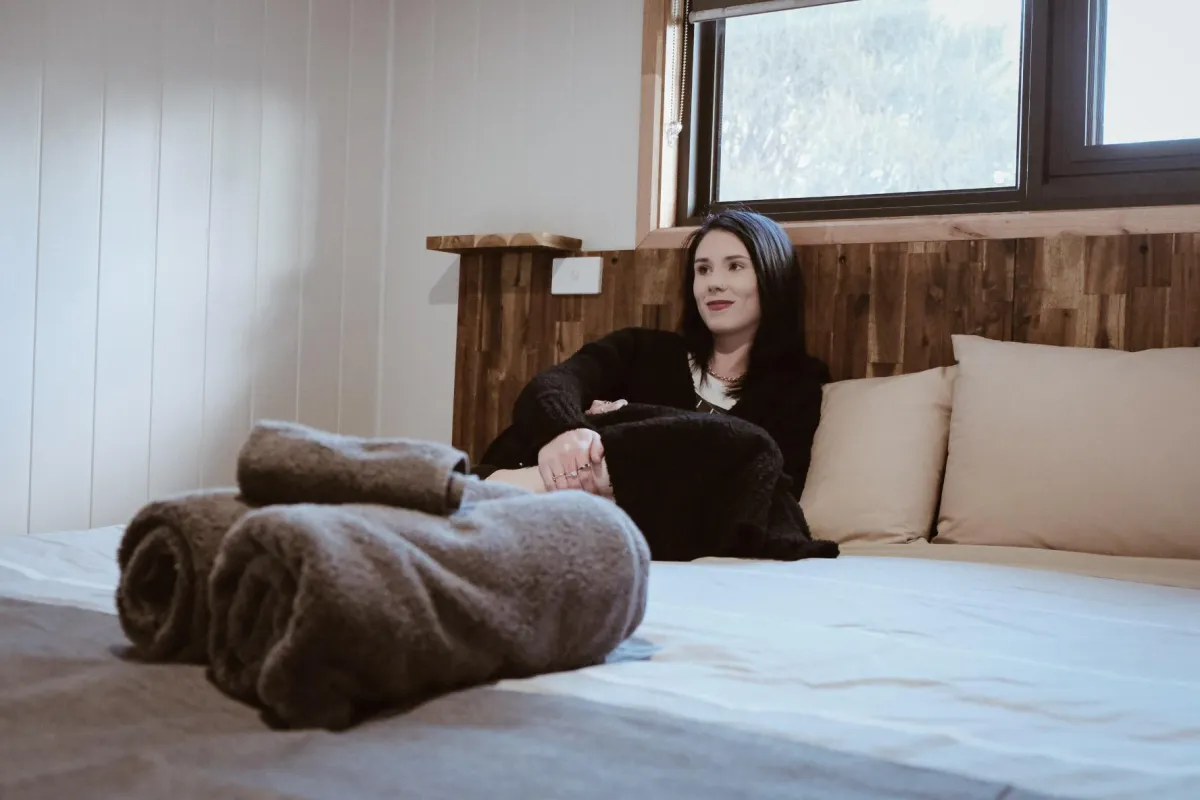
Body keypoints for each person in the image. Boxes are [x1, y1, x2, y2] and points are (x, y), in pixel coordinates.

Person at [476, 208, 830, 500]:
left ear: (773, 277)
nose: (713, 283)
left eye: (734, 266)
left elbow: (769, 476)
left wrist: (622, 415)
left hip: (650, 516)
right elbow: (552, 386)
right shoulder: (641, 348)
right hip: (520, 473)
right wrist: (569, 431)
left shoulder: (797, 383)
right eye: (703, 269)